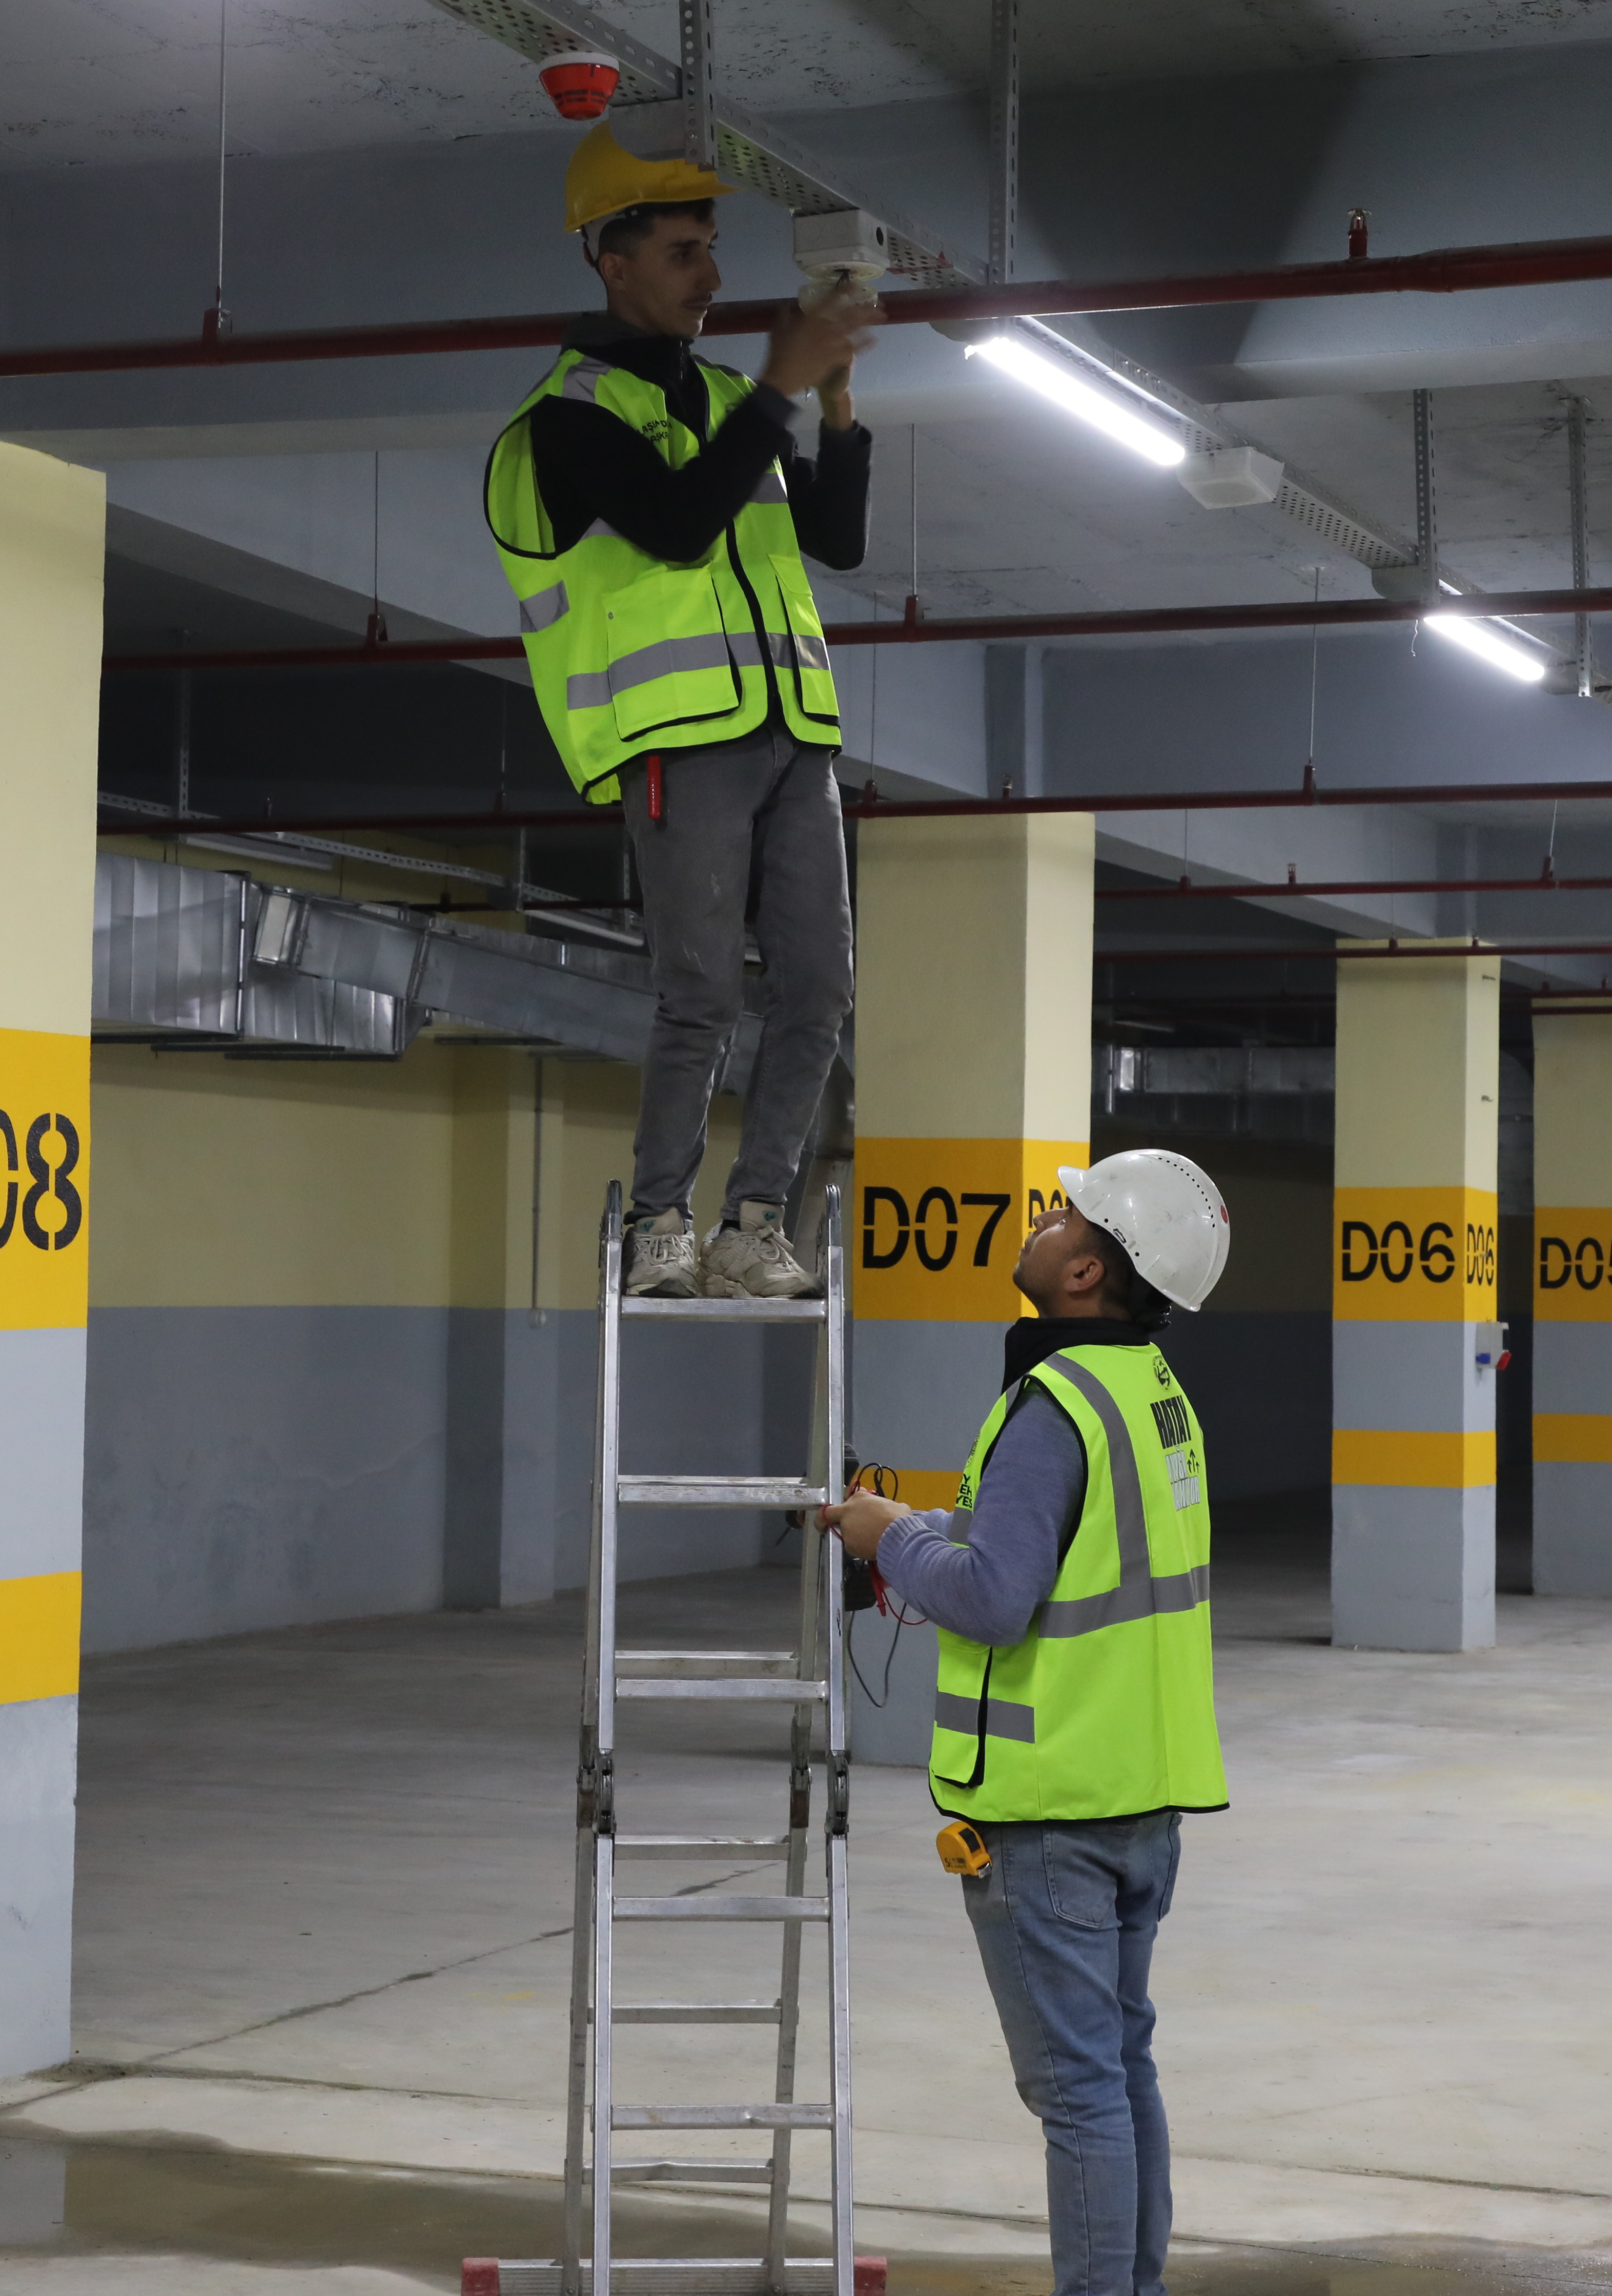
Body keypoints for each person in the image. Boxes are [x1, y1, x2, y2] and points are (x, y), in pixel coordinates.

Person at [818, 1149, 1233, 2296]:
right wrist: (917, 1520)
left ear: (1086, 1268)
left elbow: (999, 1596)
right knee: (1120, 2063)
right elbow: (1059, 1544)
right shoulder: (1149, 1391)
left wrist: (886, 1540)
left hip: (1050, 1812)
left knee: (1078, 2088)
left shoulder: (1056, 1405)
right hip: (1142, 1795)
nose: (1043, 1218)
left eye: (1063, 1213)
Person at [484, 123, 874, 1301]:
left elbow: (837, 542)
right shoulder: (563, 419)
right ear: (614, 261)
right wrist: (778, 391)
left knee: (821, 991)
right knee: (701, 991)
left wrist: (837, 410)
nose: (712, 276)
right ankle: (665, 1222)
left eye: (711, 248)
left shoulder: (724, 396)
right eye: (685, 252)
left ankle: (757, 1220)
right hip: (678, 741)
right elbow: (672, 526)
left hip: (791, 737)